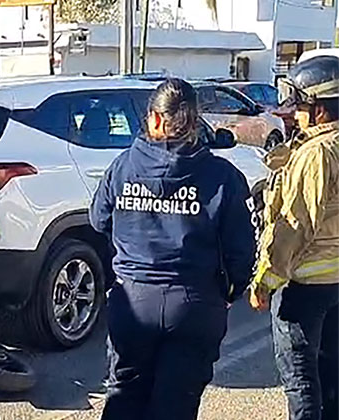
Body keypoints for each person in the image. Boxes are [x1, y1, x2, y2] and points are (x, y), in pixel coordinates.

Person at [90, 78, 256, 420]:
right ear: (195, 122)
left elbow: (98, 219)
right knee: (176, 405)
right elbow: (243, 251)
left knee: (124, 398)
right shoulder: (222, 176)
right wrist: (229, 292)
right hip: (195, 304)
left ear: (153, 119)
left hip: (134, 301)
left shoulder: (123, 167)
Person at [250, 55, 339, 420]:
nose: (294, 114)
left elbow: (294, 225)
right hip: (335, 284)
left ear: (318, 109)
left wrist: (264, 281)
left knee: (301, 381)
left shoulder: (316, 153)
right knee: (332, 376)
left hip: (305, 285)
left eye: (300, 106)